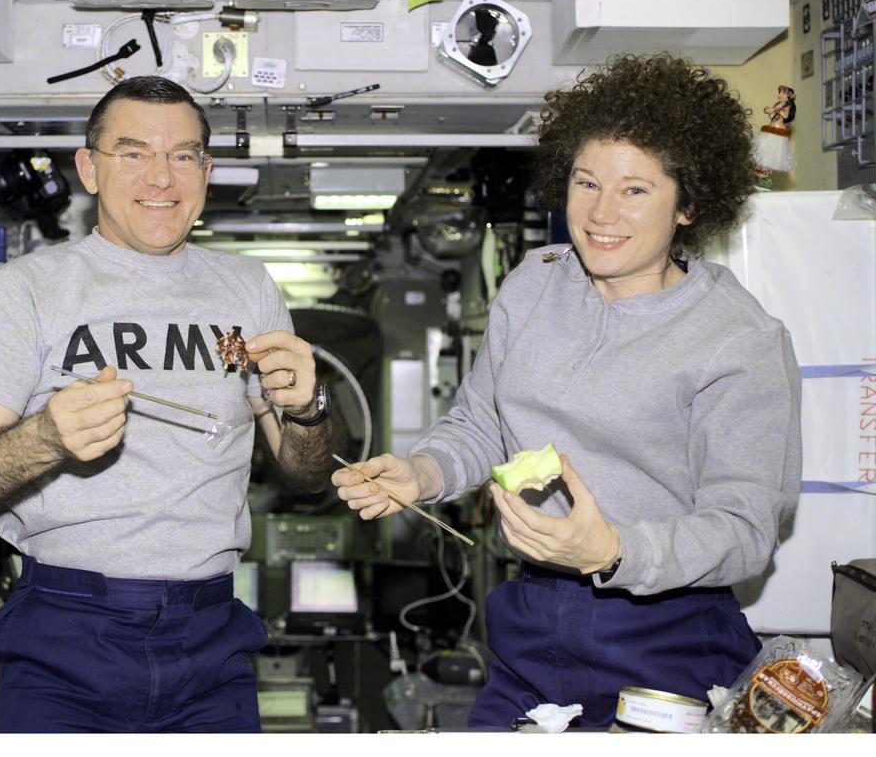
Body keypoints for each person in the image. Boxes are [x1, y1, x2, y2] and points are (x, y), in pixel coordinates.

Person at [331, 53, 802, 728]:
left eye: (635, 190)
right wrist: (421, 471)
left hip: (666, 634)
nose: (601, 213)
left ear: (690, 202)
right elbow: (481, 423)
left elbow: (744, 530)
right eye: (586, 182)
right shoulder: (534, 281)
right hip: (532, 627)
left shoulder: (738, 340)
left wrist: (612, 550)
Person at [0, 75, 344, 733]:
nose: (162, 176)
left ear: (206, 171)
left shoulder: (248, 288)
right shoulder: (25, 291)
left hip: (211, 639)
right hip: (63, 636)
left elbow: (307, 473)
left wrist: (310, 406)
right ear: (89, 169)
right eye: (134, 152)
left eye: (183, 155)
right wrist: (46, 437)